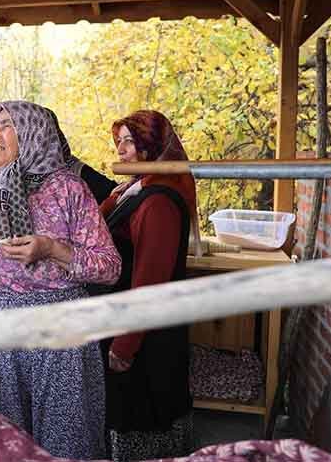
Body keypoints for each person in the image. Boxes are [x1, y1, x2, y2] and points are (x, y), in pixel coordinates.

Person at [0, 100, 120, 460]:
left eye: (6, 125)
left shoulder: (69, 190)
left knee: (64, 440)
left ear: (33, 134)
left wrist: (52, 249)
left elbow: (109, 267)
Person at [92, 109, 197, 460]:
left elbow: (149, 282)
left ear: (150, 146)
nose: (120, 150)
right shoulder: (141, 189)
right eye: (118, 141)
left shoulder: (158, 203)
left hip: (146, 336)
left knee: (144, 413)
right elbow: (100, 223)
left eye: (128, 142)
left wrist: (125, 346)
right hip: (131, 324)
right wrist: (116, 197)